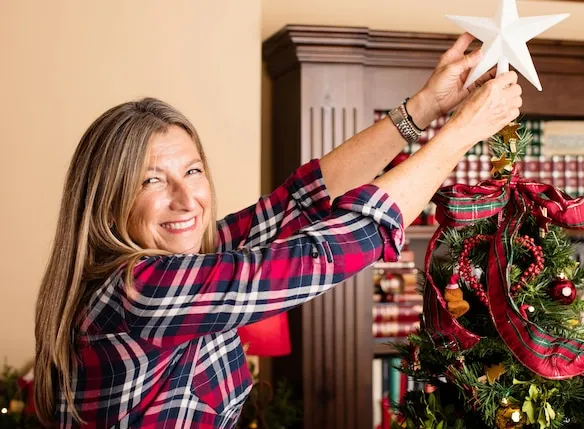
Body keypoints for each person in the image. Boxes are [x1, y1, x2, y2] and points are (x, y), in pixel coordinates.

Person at [33, 33, 522, 428]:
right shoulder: (140, 290)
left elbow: (299, 201)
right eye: (152, 180)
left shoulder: (188, 261)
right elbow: (327, 251)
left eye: (194, 171)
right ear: (107, 202)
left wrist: (423, 109)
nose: (187, 201)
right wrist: (461, 134)